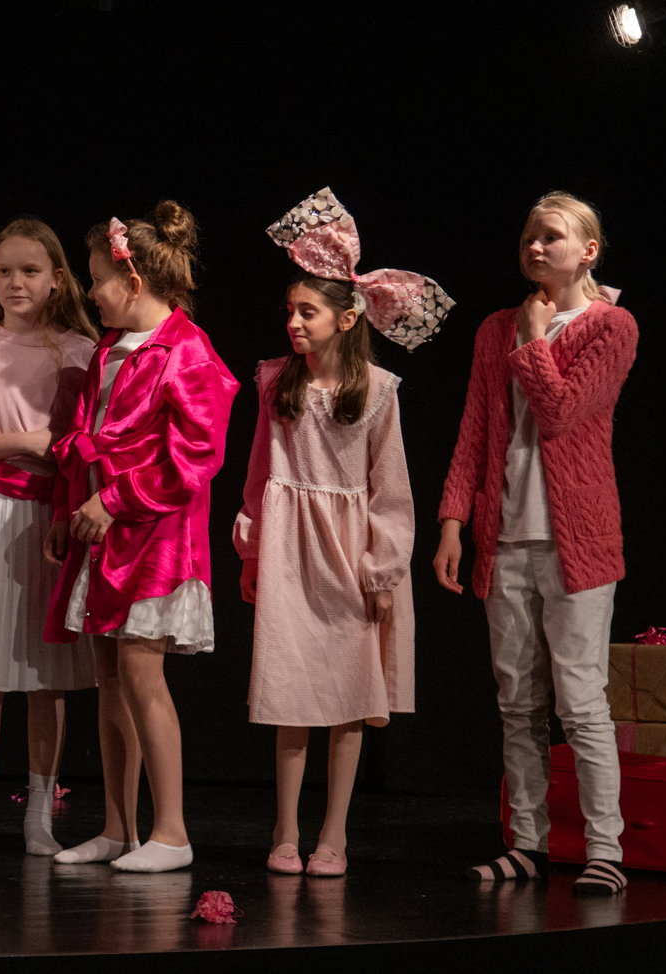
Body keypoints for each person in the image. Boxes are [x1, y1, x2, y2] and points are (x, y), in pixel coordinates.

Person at [235, 188, 447, 878]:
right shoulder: (276, 382)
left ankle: (334, 833)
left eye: (308, 311)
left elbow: (392, 489)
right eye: (290, 311)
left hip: (349, 559)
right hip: (289, 555)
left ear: (346, 318)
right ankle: (286, 827)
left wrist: (383, 571)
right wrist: (252, 551)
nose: (293, 322)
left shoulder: (377, 392)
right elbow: (259, 473)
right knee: (290, 692)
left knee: (349, 700)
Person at [434, 192, 637, 896]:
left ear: (588, 251)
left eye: (551, 236)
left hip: (579, 543)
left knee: (580, 703)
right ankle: (527, 843)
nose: (536, 247)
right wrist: (453, 521)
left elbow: (558, 412)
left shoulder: (612, 326)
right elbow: (474, 429)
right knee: (517, 703)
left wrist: (532, 337)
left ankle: (605, 849)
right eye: (529, 236)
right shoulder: (495, 328)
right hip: (506, 537)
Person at [43, 203, 237, 873]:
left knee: (140, 673)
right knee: (109, 677)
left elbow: (195, 457)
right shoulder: (110, 349)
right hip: (104, 535)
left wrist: (114, 499)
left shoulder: (187, 351)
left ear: (132, 281)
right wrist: (69, 510)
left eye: (97, 279)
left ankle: (172, 833)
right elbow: (86, 442)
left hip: (154, 538)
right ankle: (118, 828)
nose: (90, 292)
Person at [0, 218, 99, 857]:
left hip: (55, 515)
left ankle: (39, 819)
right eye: (4, 271)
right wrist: (24, 440)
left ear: (57, 278)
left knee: (46, 674)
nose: (15, 282)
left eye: (30, 271)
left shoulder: (81, 351)